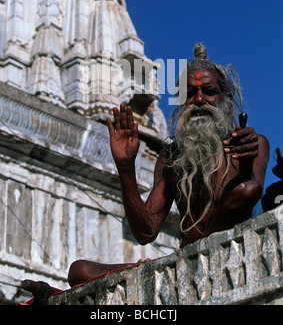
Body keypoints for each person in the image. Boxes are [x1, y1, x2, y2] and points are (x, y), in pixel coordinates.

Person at [67, 43, 269, 287]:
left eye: (209, 91)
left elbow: (248, 193)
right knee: (80, 271)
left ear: (226, 98)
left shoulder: (254, 143)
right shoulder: (171, 156)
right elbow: (145, 232)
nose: (199, 99)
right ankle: (194, 256)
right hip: (186, 263)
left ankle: (201, 253)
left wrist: (244, 166)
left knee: (244, 190)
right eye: (189, 93)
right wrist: (125, 166)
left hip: (235, 253)